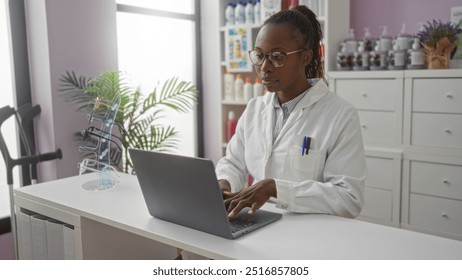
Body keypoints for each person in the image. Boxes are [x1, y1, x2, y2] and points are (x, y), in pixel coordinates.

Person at [216, 5, 367, 220]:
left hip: (308, 235)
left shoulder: (340, 115)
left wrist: (276, 189)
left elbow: (349, 198)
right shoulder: (254, 109)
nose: (265, 67)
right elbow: (233, 162)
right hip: (257, 223)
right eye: (259, 55)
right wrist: (224, 182)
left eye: (277, 56)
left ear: (305, 57)